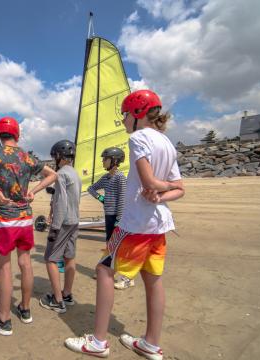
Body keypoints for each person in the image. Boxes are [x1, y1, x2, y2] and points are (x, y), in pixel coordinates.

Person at [65, 89, 185, 359]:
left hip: (135, 225)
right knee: (153, 281)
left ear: (138, 113)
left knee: (104, 270)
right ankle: (151, 344)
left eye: (125, 114)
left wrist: (156, 188)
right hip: (159, 225)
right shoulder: (166, 143)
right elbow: (180, 189)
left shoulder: (140, 138)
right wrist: (162, 193)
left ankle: (97, 342)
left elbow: (149, 182)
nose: (123, 120)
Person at [0, 116, 57, 336]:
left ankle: (3, 320)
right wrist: (33, 191)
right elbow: (52, 175)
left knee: (5, 268)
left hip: (5, 219)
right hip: (25, 218)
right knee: (26, 262)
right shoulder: (27, 157)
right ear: (16, 134)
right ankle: (25, 309)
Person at [39, 140, 82, 314]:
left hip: (63, 222)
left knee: (50, 259)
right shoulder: (75, 173)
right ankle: (67, 294)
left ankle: (57, 300)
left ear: (59, 156)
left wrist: (55, 227)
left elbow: (62, 202)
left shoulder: (61, 174)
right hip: (74, 221)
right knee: (70, 257)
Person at [87, 147, 132, 290]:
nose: (102, 161)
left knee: (119, 246)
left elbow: (122, 199)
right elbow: (91, 188)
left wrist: (119, 218)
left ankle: (127, 277)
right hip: (108, 216)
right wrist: (101, 198)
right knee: (109, 244)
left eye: (105, 159)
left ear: (114, 161)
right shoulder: (106, 178)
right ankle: (106, 269)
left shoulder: (120, 177)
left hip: (118, 217)